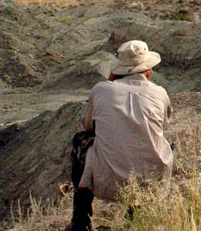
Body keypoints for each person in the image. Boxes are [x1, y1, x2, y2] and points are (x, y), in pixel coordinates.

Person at [66, 40, 174, 231]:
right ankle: (137, 211)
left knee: (79, 140)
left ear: (119, 70)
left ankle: (80, 220)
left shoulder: (101, 89)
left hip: (106, 180)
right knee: (165, 144)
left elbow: (90, 127)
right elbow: (162, 128)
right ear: (148, 70)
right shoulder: (160, 93)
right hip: (151, 182)